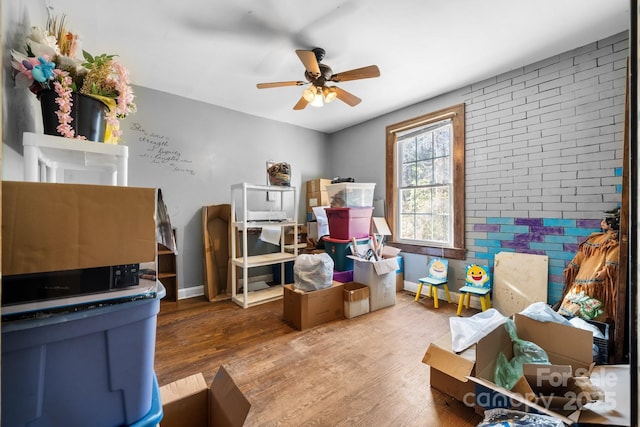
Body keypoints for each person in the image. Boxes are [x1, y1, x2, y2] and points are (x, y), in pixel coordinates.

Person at [558, 208, 620, 321]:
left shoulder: (614, 241)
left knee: (591, 305)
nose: (602, 223)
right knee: (577, 300)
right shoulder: (595, 238)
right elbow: (582, 254)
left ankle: (584, 324)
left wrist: (606, 270)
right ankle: (569, 321)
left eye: (605, 220)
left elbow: (613, 256)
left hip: (595, 279)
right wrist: (573, 266)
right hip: (584, 276)